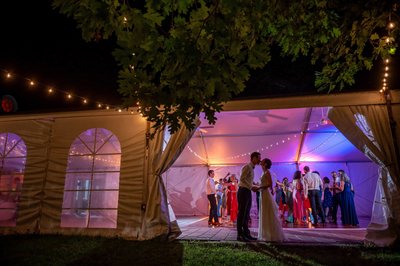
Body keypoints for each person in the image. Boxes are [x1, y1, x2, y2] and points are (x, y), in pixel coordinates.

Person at [257, 158, 285, 242]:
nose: (260, 161)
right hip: (263, 193)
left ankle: (269, 234)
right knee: (264, 212)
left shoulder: (267, 172)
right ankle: (266, 233)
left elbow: (269, 184)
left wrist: (259, 187)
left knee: (267, 212)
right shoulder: (264, 172)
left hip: (265, 193)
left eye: (262, 161)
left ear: (265, 164)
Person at [236, 151, 261, 241]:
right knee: (242, 213)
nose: (260, 160)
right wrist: (251, 187)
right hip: (243, 191)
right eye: (258, 158)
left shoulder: (251, 168)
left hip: (247, 191)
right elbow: (242, 179)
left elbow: (247, 180)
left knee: (246, 214)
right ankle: (239, 234)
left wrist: (254, 185)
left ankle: (246, 233)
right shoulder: (247, 167)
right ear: (253, 158)